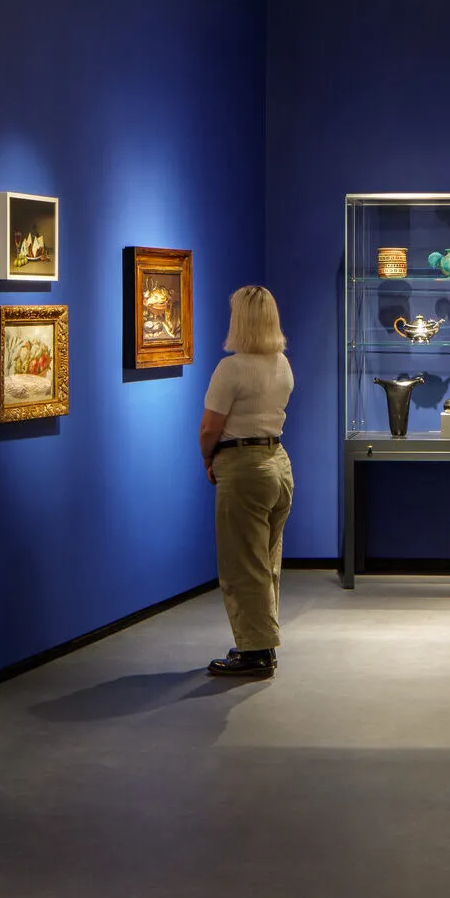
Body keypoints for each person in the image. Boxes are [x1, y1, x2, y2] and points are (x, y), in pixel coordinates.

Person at [198, 286, 295, 679]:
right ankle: (264, 643)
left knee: (242, 564)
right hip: (278, 462)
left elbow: (210, 428)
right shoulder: (281, 364)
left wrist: (208, 457)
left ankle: (255, 651)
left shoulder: (231, 368)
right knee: (266, 560)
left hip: (243, 466)